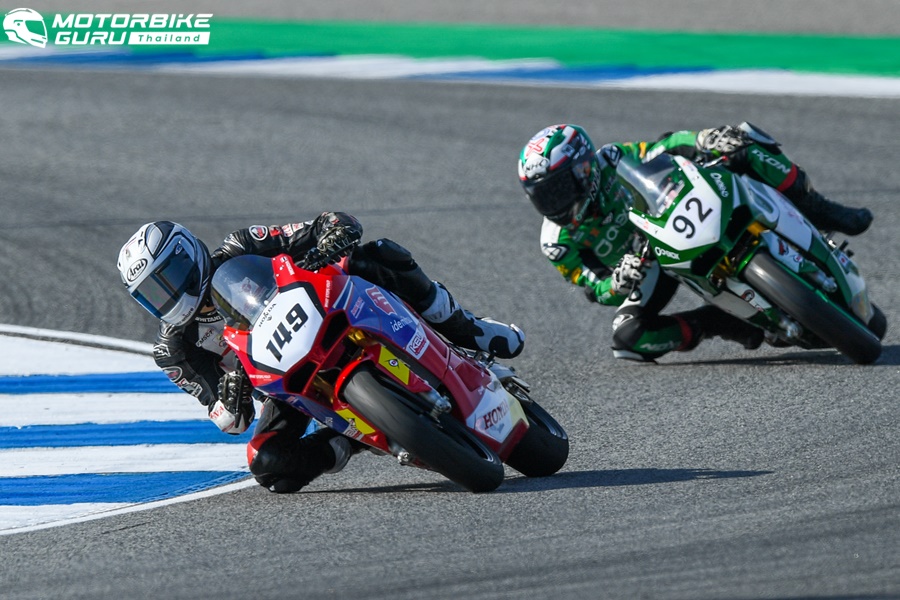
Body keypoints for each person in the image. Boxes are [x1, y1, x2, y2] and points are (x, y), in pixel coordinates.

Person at [116, 214, 524, 492]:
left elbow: (327, 224)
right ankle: (349, 440)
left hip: (329, 313)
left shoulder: (241, 246)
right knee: (269, 465)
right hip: (285, 383)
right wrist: (232, 391)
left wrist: (331, 238)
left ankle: (469, 329)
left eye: (168, 278)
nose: (168, 295)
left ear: (188, 254)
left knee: (376, 255)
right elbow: (227, 418)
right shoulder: (173, 349)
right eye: (153, 293)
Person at [517, 122, 873, 362]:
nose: (554, 203)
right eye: (543, 196)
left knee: (744, 141)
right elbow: (594, 288)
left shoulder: (611, 158)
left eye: (559, 189)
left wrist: (705, 139)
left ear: (584, 169)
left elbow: (663, 147)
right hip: (648, 265)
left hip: (676, 217)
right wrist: (618, 282)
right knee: (629, 338)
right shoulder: (557, 242)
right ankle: (723, 322)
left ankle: (817, 208)